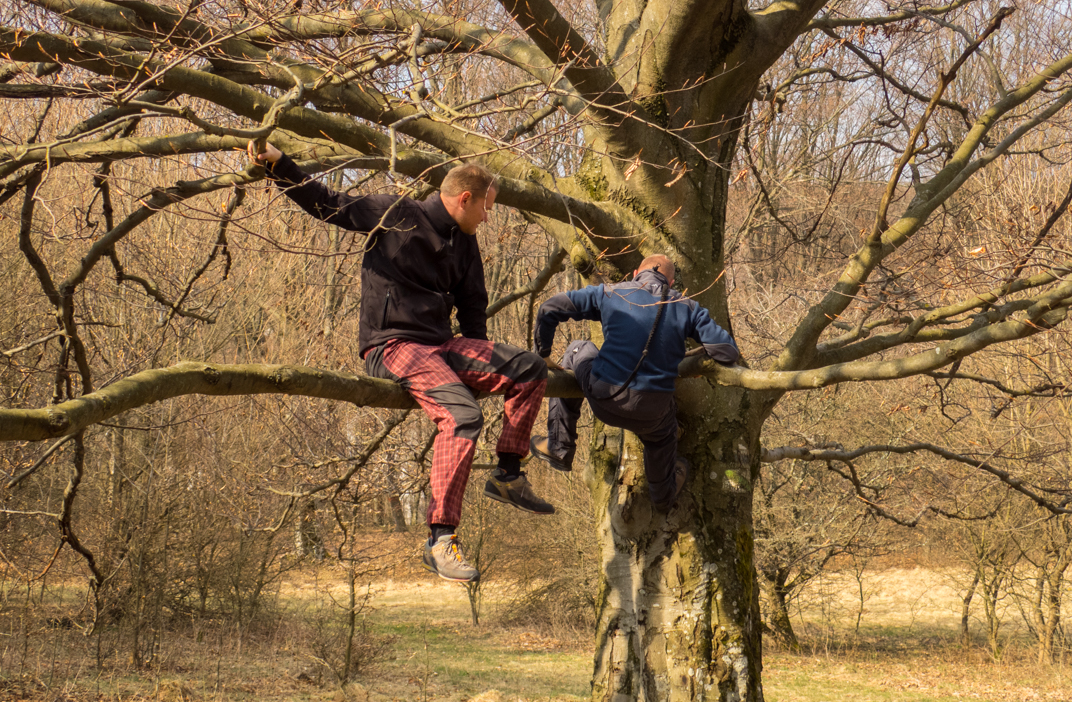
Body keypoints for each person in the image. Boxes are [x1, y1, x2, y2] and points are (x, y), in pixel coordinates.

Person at [249, 142, 553, 584]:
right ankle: (440, 538)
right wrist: (279, 165)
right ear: (464, 199)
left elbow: (473, 308)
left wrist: (477, 369)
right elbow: (328, 205)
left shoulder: (465, 244)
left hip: (441, 346)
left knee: (528, 368)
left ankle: (508, 473)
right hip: (391, 344)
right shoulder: (394, 212)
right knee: (461, 416)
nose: (489, 218)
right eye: (487, 208)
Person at [531, 255, 739, 511]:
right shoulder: (686, 306)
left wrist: (542, 354)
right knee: (663, 435)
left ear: (634, 273)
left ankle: (559, 447)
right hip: (651, 413)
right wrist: (695, 356)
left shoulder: (612, 293)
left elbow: (550, 308)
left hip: (605, 398)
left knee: (577, 348)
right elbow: (728, 351)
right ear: (671, 282)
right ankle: (663, 499)